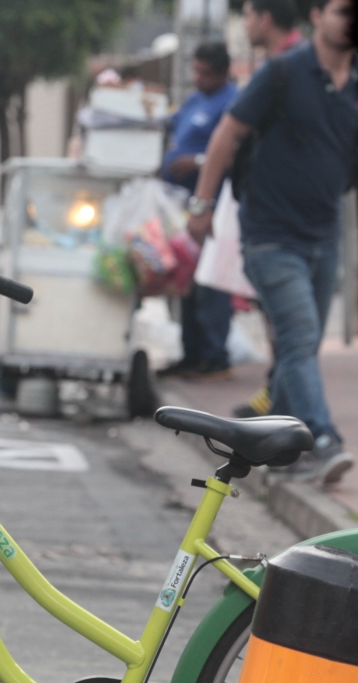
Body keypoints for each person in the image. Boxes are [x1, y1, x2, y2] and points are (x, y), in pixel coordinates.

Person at [188, 0, 357, 486]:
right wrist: (201, 206)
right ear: (319, 15)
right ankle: (321, 438)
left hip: (324, 237)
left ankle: (280, 449)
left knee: (294, 349)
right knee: (302, 337)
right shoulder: (284, 72)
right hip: (270, 235)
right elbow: (227, 134)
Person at [233, 0, 303, 418]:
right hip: (273, 211)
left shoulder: (294, 66)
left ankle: (305, 425)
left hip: (290, 219)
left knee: (292, 328)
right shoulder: (283, 64)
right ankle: (277, 396)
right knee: (283, 322)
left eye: (246, 15)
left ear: (265, 18)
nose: (243, 24)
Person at [158, 43, 238, 381]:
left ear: (221, 72)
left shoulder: (233, 101)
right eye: (196, 71)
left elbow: (235, 151)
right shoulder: (194, 100)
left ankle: (214, 356)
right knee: (185, 281)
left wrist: (198, 161)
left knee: (209, 284)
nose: (198, 78)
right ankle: (191, 354)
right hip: (182, 207)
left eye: (205, 73)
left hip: (213, 208)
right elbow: (169, 124)